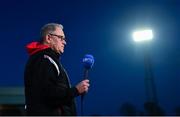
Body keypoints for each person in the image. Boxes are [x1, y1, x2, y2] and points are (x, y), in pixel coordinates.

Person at [24, 23, 90, 116]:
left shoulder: (47, 59)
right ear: (48, 38)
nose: (65, 42)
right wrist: (75, 90)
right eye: (61, 38)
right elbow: (47, 95)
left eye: (65, 39)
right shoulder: (43, 59)